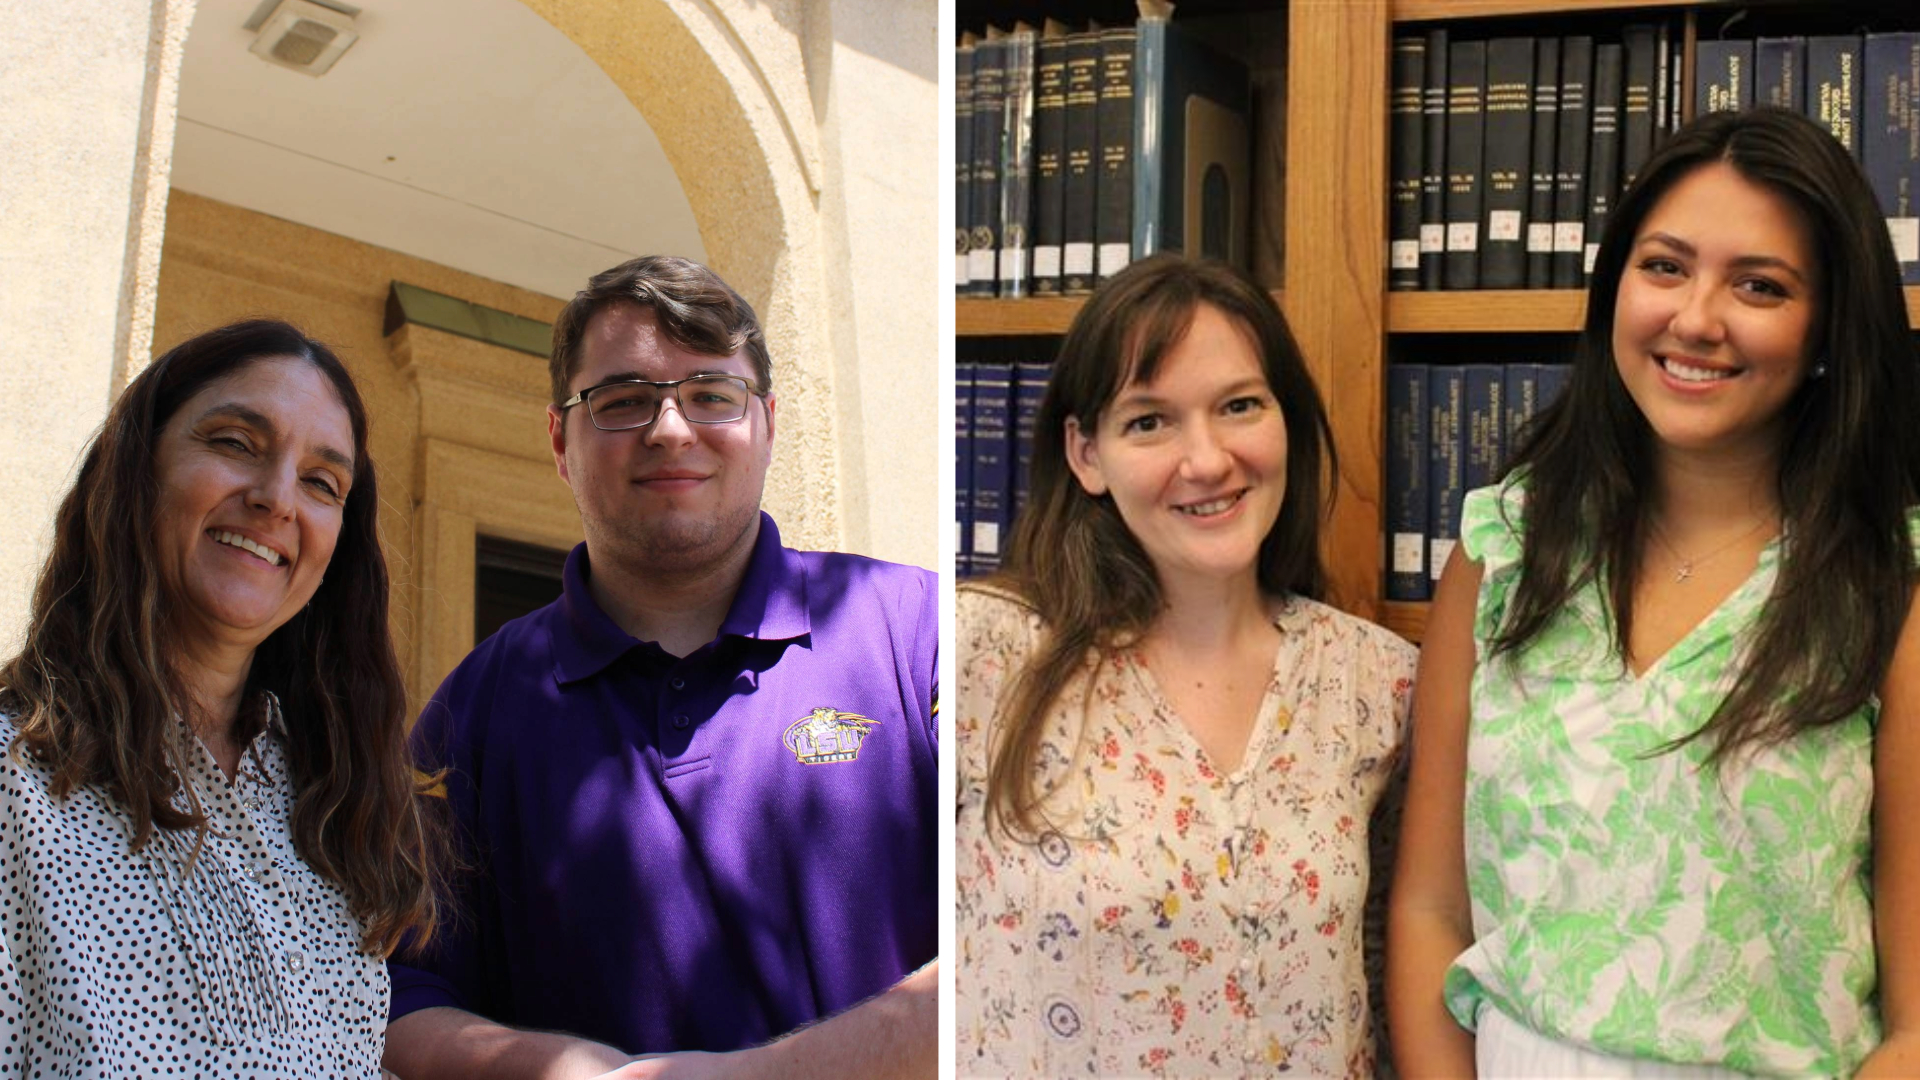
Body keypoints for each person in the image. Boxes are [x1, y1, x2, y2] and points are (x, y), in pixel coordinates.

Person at [1389, 106, 1920, 1078]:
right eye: (1665, 266)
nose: (1695, 318)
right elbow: (1431, 909)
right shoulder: (1502, 548)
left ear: (1830, 328)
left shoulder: (1894, 587)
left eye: (1759, 286)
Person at [381, 255, 938, 1080]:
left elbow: (1016, 936)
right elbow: (389, 995)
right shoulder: (481, 706)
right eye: (623, 401)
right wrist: (557, 1070)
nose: (671, 429)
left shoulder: (915, 633)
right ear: (559, 441)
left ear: (770, 425)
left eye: (712, 394)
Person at [956, 254, 1417, 1077]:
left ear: (1288, 422)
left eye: (1239, 406)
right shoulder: (977, 654)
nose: (1206, 461)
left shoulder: (1378, 682)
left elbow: (1390, 970)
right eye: (1149, 422)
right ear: (1085, 454)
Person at [0, 320, 444, 1075]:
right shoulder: (16, 782)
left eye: (321, 483)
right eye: (236, 442)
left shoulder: (332, 812)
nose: (277, 500)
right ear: (137, 469)